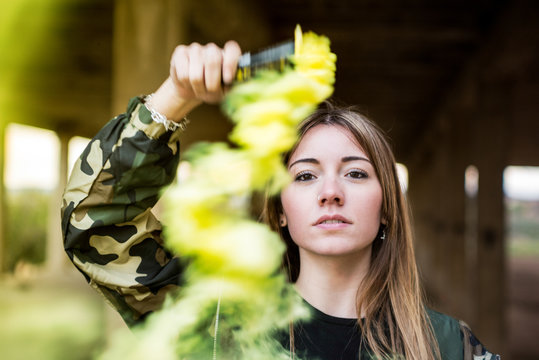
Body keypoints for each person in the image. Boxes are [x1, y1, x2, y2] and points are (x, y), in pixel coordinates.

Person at [61, 41, 500, 359]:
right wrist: (176, 96)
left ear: (387, 207)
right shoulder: (214, 322)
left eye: (355, 173)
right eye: (306, 175)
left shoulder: (448, 347)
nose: (331, 192)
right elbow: (92, 220)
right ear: (281, 212)